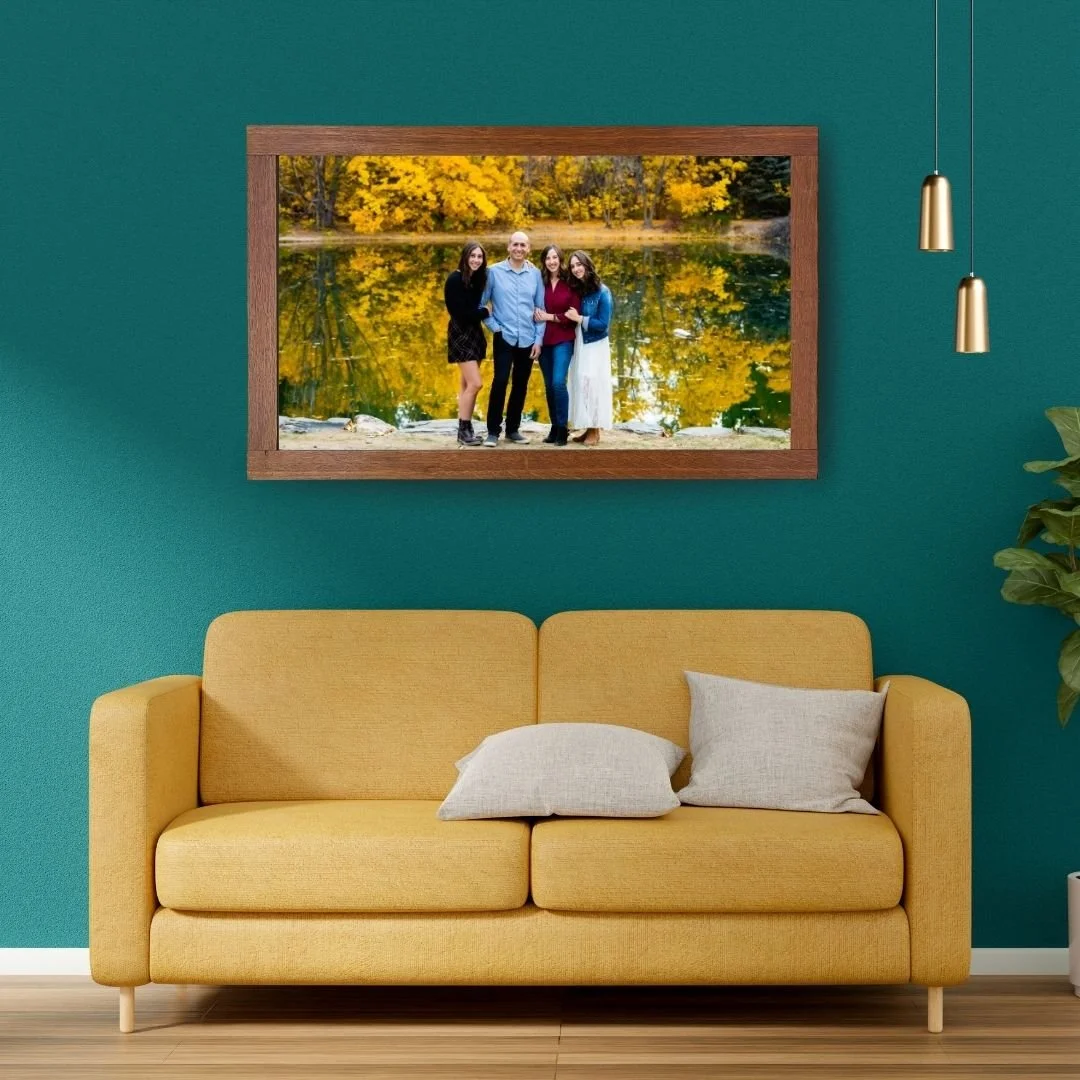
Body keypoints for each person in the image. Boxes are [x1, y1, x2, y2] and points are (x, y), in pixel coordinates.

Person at [480, 232, 545, 447]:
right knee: (499, 381)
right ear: (508, 247)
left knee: (521, 384)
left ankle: (513, 430)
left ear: (528, 248)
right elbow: (482, 305)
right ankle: (492, 431)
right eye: (515, 244)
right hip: (504, 337)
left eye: (523, 245)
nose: (519, 248)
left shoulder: (535, 274)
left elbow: (540, 310)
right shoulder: (494, 272)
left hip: (528, 338)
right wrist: (495, 328)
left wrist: (538, 340)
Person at [565, 250, 614, 446]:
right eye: (573, 266)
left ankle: (595, 430)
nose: (576, 269)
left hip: (595, 344)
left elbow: (603, 324)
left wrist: (580, 319)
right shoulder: (578, 289)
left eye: (579, 264)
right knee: (581, 384)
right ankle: (587, 428)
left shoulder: (603, 292)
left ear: (587, 265)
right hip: (579, 342)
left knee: (593, 384)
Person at [443, 242, 489, 446]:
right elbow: (459, 314)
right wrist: (485, 312)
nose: (476, 260)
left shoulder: (478, 279)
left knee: (465, 384)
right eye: (473, 256)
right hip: (461, 334)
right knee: (475, 384)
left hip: (475, 335)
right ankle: (463, 429)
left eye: (480, 257)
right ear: (465, 257)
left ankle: (466, 429)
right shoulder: (454, 279)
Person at [533, 244, 576, 447]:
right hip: (544, 340)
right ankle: (553, 427)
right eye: (548, 258)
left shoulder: (570, 282)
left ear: (560, 259)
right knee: (549, 386)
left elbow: (572, 316)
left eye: (555, 258)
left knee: (559, 382)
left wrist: (550, 316)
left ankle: (562, 428)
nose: (551, 262)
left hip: (564, 339)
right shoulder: (540, 282)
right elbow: (534, 308)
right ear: (544, 261)